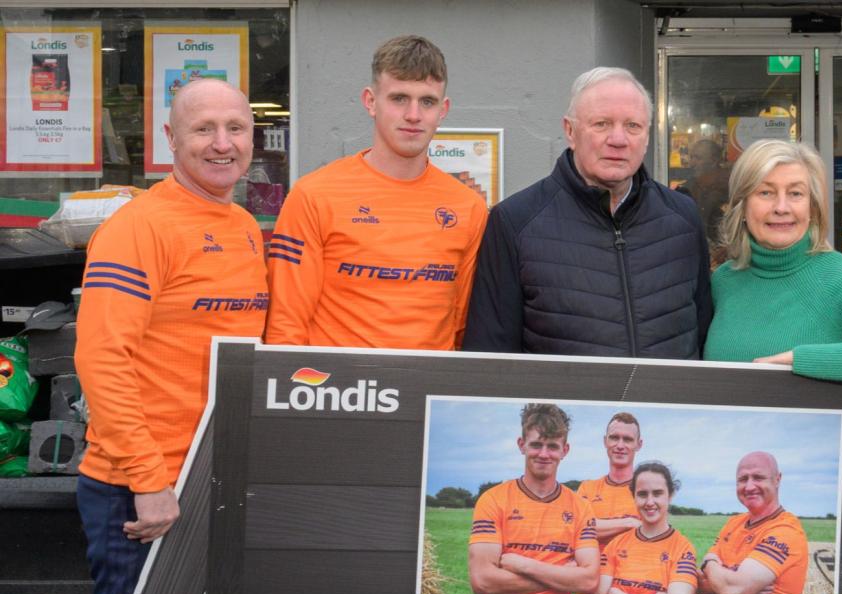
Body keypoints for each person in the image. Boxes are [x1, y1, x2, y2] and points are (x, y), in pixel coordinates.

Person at [74, 79, 266, 594]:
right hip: (142, 494)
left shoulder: (243, 226)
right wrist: (148, 479)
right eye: (203, 129)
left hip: (213, 480)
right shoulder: (139, 228)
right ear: (169, 140)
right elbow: (102, 359)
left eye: (235, 128)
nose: (222, 144)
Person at [462, 67, 712, 358]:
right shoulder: (515, 221)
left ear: (646, 137)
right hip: (562, 405)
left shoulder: (683, 218)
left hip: (665, 403)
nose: (618, 139)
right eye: (602, 124)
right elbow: (491, 353)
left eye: (633, 126)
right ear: (570, 131)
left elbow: (703, 335)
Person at [265, 35, 487, 350]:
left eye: (427, 101)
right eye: (399, 98)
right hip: (339, 393)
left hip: (427, 391)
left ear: (443, 109)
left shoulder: (468, 207)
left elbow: (464, 325)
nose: (413, 114)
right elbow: (285, 326)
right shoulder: (314, 195)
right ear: (371, 101)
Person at [703, 139, 842, 387]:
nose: (781, 207)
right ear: (742, 206)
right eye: (765, 192)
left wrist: (799, 360)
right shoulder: (724, 279)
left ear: (813, 208)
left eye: (795, 193)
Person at [467, 403, 600, 594]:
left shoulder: (580, 507)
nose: (544, 454)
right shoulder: (493, 500)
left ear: (565, 450)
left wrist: (523, 565)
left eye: (553, 446)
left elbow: (589, 580)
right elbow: (482, 581)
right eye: (536, 445)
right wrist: (561, 578)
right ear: (522, 445)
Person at [697, 452, 808, 594]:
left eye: (758, 477)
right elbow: (704, 583)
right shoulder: (733, 523)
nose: (749, 486)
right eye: (742, 479)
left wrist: (709, 562)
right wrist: (728, 584)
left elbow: (735, 589)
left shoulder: (785, 530)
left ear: (777, 479)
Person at [588, 461, 698, 594]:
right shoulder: (615, 545)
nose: (649, 502)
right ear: (634, 497)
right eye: (642, 494)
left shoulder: (683, 549)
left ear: (670, 495)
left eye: (657, 493)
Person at [572, 411, 644, 594]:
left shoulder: (646, 491)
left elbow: (649, 538)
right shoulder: (587, 488)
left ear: (638, 444)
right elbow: (575, 531)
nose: (620, 445)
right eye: (614, 437)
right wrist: (628, 523)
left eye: (628, 439)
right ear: (605, 441)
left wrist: (596, 526)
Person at [679, 138, 730, 263]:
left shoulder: (731, 185)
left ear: (713, 160)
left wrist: (730, 247)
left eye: (697, 158)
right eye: (691, 157)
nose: (692, 163)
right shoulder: (687, 189)